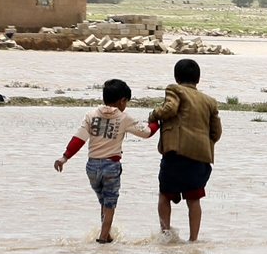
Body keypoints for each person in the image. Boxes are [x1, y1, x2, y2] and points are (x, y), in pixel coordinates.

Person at [54, 79, 157, 243]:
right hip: (111, 166)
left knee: (103, 201)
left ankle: (106, 232)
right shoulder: (124, 118)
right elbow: (146, 133)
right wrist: (155, 123)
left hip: (92, 167)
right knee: (110, 203)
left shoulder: (91, 115)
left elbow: (78, 139)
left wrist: (65, 157)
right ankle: (103, 237)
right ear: (122, 100)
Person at [149, 59, 222, 242]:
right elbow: (217, 132)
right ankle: (193, 240)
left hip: (176, 153)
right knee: (194, 199)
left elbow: (170, 109)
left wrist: (154, 115)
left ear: (176, 77)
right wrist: (201, 142)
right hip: (200, 157)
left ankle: (165, 236)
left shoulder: (174, 90)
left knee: (165, 194)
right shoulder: (210, 101)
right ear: (198, 78)